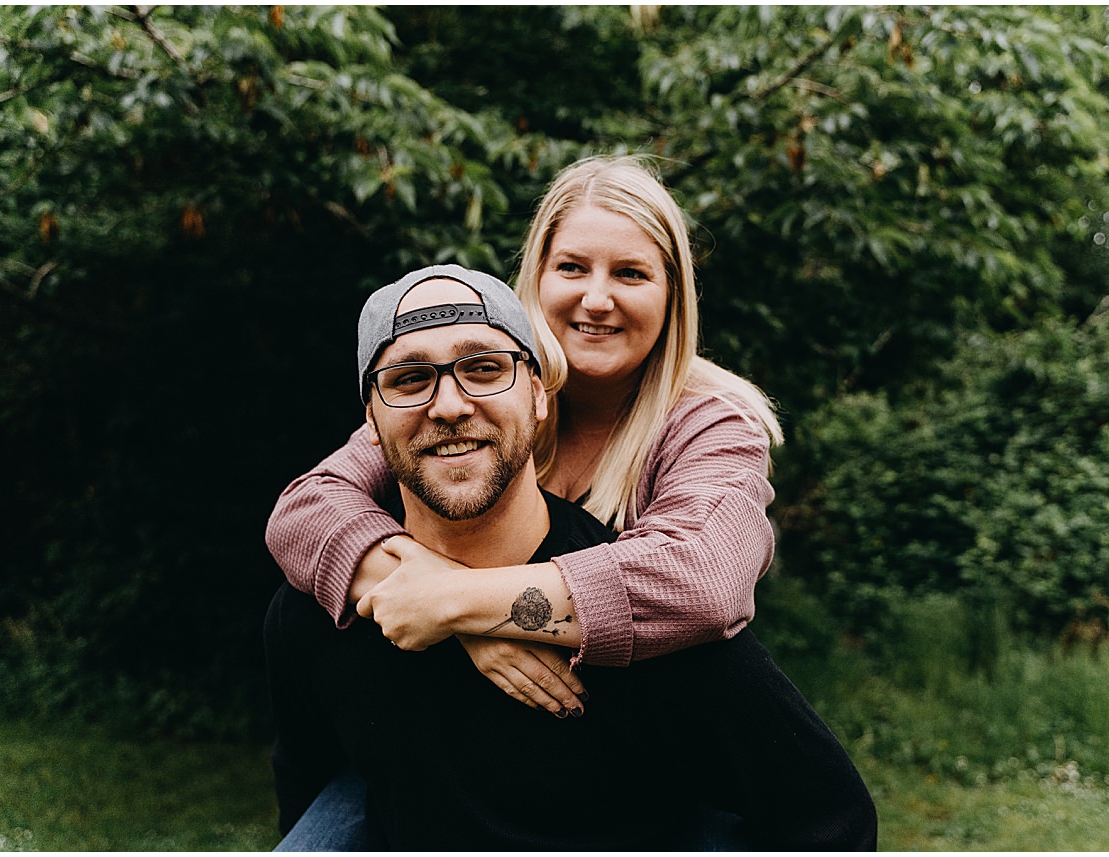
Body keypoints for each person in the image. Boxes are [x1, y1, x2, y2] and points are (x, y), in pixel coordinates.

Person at [264, 265, 877, 850]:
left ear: (538, 396)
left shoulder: (654, 632)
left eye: (483, 370)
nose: (448, 405)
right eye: (408, 380)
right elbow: (312, 794)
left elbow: (832, 823)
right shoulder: (317, 612)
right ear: (368, 422)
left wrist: (455, 602)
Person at [266, 156, 786, 720]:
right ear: (535, 278)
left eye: (630, 274)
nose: (596, 299)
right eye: (572, 267)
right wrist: (460, 614)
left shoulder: (711, 423)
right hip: (432, 717)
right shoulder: (485, 388)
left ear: (672, 296)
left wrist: (453, 602)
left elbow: (704, 581)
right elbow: (305, 510)